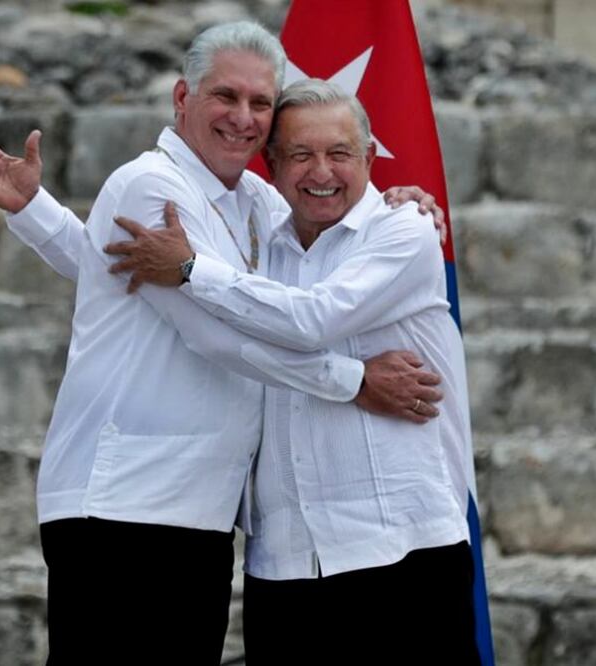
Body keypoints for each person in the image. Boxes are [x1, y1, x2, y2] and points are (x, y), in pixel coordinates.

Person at [0, 22, 445, 665]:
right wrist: (354, 381)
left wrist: (396, 202)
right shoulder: (151, 186)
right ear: (182, 97)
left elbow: (110, 267)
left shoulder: (254, 199)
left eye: (260, 103)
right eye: (226, 96)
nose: (243, 117)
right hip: (123, 504)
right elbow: (215, 332)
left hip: (201, 511)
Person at [108, 78, 481, 664]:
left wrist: (191, 269)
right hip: (284, 566)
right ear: (273, 165)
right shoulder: (258, 249)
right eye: (301, 154)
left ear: (369, 156)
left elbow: (312, 320)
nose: (321, 171)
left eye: (340, 153)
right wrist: (33, 212)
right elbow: (111, 257)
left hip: (401, 551)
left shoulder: (404, 228)